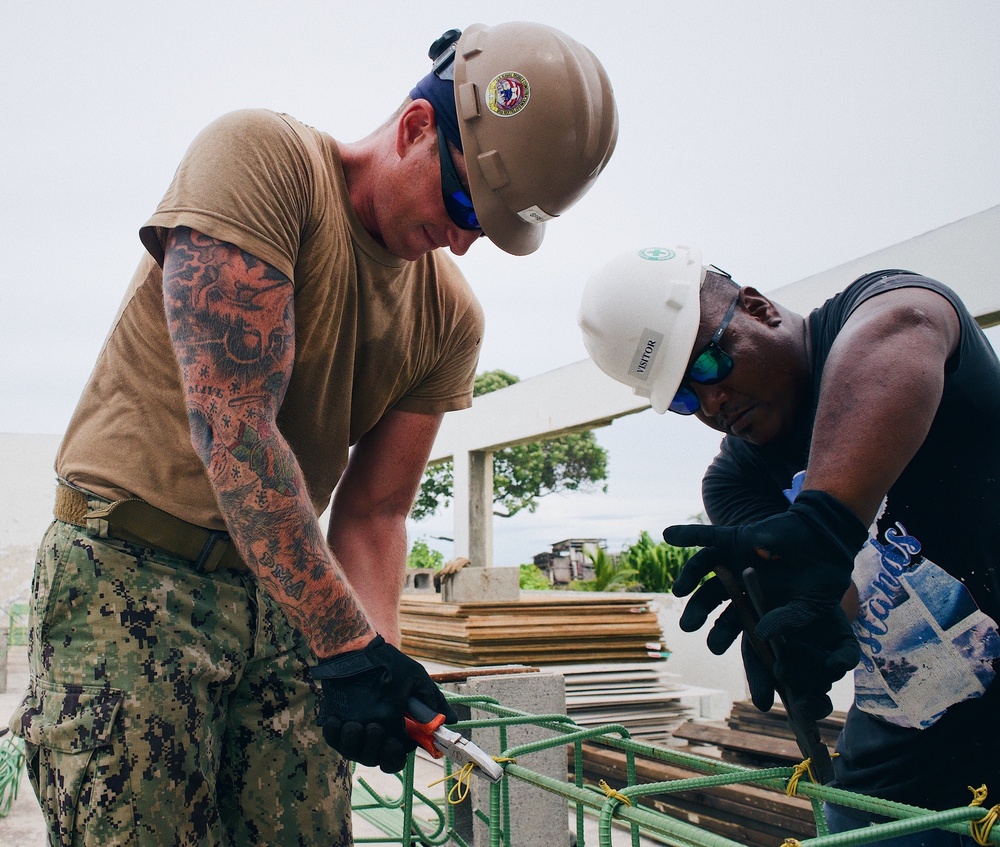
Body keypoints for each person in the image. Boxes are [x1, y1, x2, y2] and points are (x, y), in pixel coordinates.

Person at [9, 22, 618, 847]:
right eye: (469, 204)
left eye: (495, 230)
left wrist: (381, 667)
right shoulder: (260, 160)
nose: (469, 239)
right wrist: (344, 640)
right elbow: (234, 428)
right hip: (129, 578)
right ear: (413, 129)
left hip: (286, 601)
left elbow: (373, 515)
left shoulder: (449, 317)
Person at [578, 245, 1000, 845]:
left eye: (705, 365)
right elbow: (824, 592)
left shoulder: (878, 310)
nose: (711, 404)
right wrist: (799, 627)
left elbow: (906, 321)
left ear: (756, 309)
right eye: (683, 399)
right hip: (891, 794)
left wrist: (825, 520)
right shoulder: (736, 480)